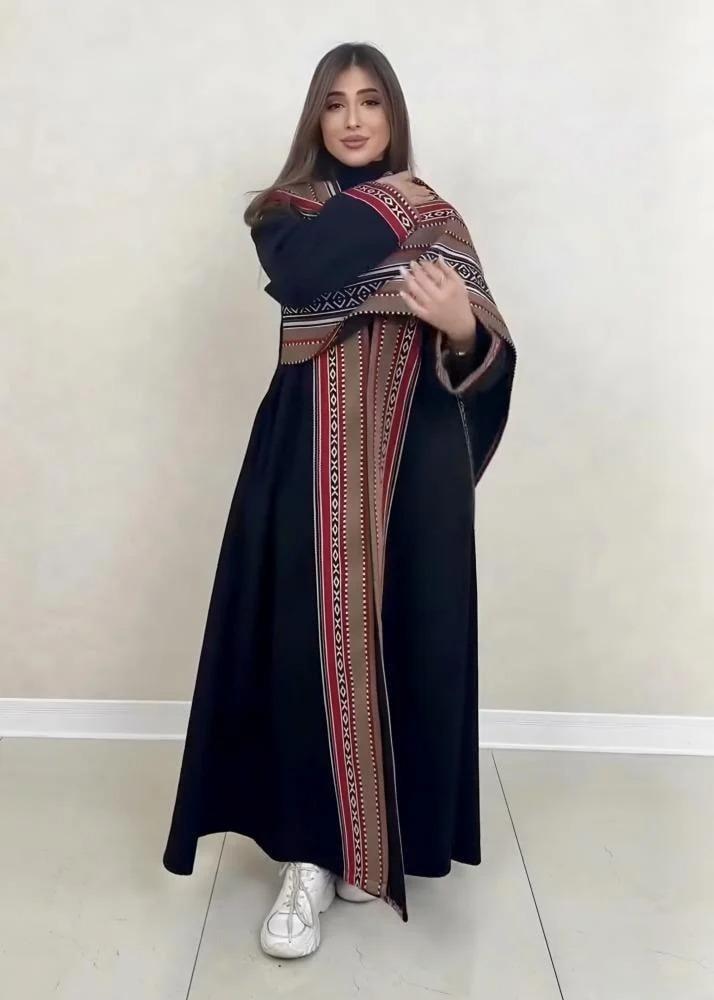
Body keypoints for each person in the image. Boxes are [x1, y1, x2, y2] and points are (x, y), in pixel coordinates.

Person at [162, 41, 516, 960]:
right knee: (304, 644)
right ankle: (307, 858)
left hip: (414, 468)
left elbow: (488, 357)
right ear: (315, 119)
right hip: (306, 458)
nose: (354, 119)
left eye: (370, 101)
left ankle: (373, 841)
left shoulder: (442, 222)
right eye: (335, 103)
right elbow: (305, 276)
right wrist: (399, 200)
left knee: (407, 637)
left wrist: (460, 325)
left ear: (394, 114)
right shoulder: (287, 212)